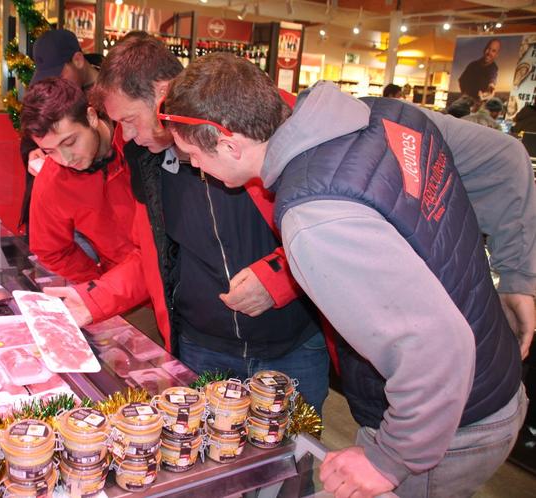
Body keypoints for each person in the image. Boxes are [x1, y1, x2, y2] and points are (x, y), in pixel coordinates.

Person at [161, 52, 534, 498]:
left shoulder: (314, 218)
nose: (195, 168)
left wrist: (391, 459)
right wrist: (519, 276)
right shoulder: (386, 114)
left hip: (447, 424)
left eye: (192, 155)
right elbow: (504, 156)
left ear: (229, 143)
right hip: (491, 382)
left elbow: (436, 345)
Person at [46, 36, 330, 413]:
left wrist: (278, 279)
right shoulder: (143, 158)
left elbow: (327, 234)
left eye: (129, 120)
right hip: (202, 349)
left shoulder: (250, 127)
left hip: (291, 345)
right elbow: (150, 256)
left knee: (294, 463)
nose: (125, 135)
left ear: (163, 94)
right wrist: (92, 298)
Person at [20, 77, 135, 283]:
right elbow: (52, 250)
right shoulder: (52, 181)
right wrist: (97, 283)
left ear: (91, 117)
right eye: (49, 151)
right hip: (124, 289)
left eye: (70, 141)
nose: (65, 159)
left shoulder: (139, 141)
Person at [19, 29, 101, 235]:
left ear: (78, 59)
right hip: (64, 212)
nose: (56, 84)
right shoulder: (53, 96)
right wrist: (33, 152)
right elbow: (30, 137)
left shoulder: (115, 90)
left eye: (59, 74)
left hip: (103, 215)